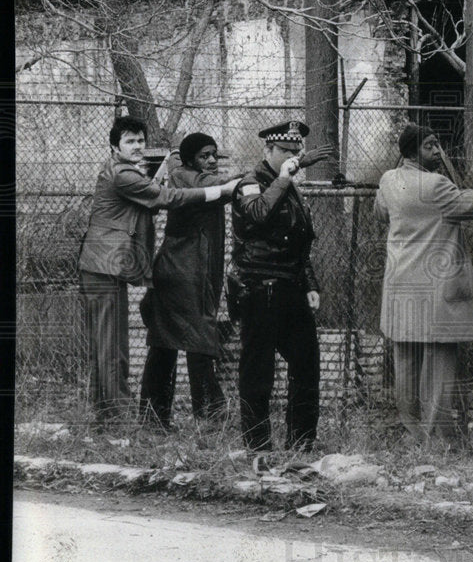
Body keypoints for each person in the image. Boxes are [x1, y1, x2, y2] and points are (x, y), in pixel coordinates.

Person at [78, 116, 239, 428]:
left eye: (141, 140)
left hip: (107, 268)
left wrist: (165, 168)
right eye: (130, 141)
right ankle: (117, 422)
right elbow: (164, 198)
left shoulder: (127, 171)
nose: (138, 146)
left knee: (113, 349)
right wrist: (221, 191)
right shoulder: (122, 173)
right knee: (111, 351)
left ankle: (109, 419)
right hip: (102, 268)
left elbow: (150, 196)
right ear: (115, 145)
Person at [375, 122, 473, 447]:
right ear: (413, 151)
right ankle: (437, 439)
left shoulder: (388, 180)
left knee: (404, 358)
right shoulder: (436, 185)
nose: (438, 150)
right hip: (435, 290)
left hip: (401, 288)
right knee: (439, 362)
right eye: (431, 145)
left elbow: (380, 214)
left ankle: (412, 433)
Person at [228, 120, 333, 453]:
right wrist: (286, 176)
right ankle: (258, 446)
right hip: (259, 288)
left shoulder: (287, 186)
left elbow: (299, 241)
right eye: (285, 151)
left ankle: (301, 443)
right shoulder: (251, 183)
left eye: (296, 151)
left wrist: (310, 283)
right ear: (268, 150)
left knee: (306, 363)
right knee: (258, 371)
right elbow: (257, 215)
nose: (292, 156)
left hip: (291, 287)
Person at [137, 133, 233, 430]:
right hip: (179, 273)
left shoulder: (203, 177)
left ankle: (156, 420)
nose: (212, 160)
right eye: (205, 155)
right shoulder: (183, 176)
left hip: (193, 273)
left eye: (214, 154)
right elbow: (217, 186)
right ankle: (207, 419)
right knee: (194, 341)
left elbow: (225, 188)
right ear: (191, 159)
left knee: (172, 342)